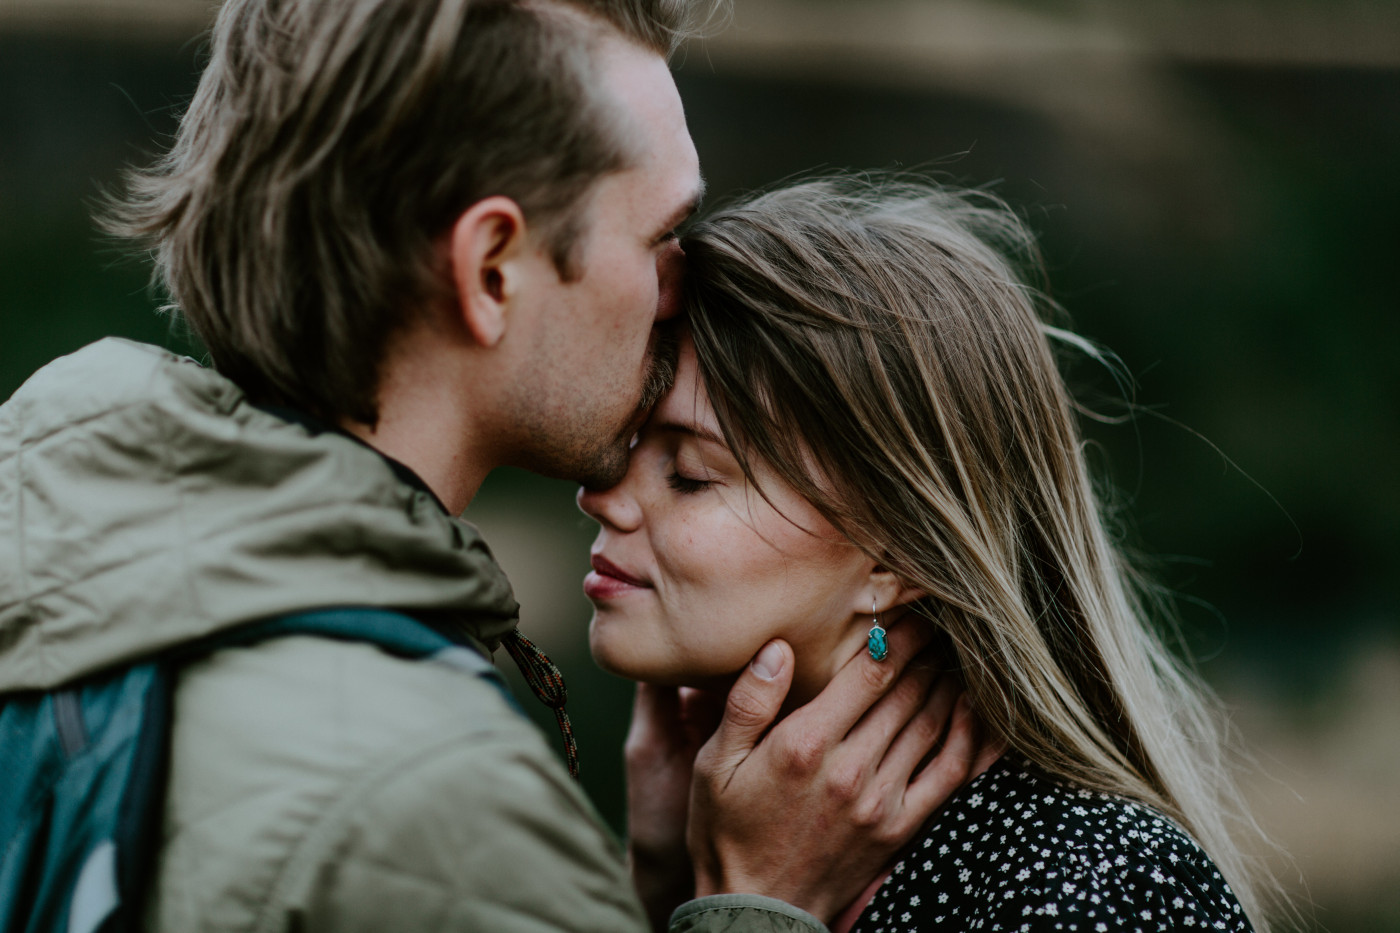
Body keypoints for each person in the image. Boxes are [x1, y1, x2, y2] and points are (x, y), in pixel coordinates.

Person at [0, 5, 979, 933]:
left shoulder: (64, 545)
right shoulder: (435, 805)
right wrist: (753, 907)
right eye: (657, 239)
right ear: (491, 269)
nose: (680, 289)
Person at [579, 176, 1283, 931]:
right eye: (626, 445)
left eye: (689, 474)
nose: (602, 494)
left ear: (894, 560)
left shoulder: (1094, 887)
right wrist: (662, 887)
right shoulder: (716, 841)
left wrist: (750, 905)